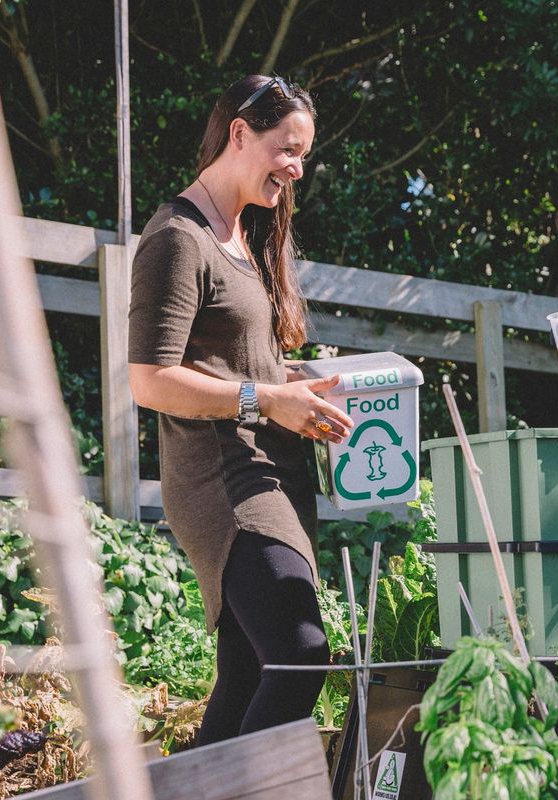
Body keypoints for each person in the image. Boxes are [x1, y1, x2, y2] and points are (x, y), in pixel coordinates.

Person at [128, 75, 354, 745]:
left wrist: (296, 383)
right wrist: (265, 398)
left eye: (304, 155)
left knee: (249, 676)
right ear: (238, 134)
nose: (298, 168)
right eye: (288, 148)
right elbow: (150, 380)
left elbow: (232, 364)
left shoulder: (241, 238)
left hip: (267, 470)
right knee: (300, 657)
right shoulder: (179, 239)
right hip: (222, 481)